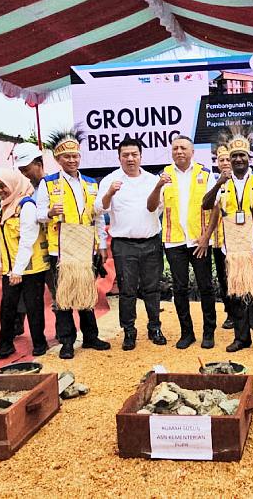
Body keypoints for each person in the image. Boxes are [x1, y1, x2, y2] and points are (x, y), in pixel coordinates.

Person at [37, 129, 111, 359]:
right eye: (67, 157)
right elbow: (37, 215)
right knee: (64, 297)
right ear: (58, 159)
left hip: (86, 245)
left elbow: (98, 216)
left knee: (86, 293)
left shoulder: (90, 183)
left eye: (75, 156)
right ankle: (67, 341)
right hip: (60, 249)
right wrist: (49, 212)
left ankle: (91, 336)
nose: (72, 160)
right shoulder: (48, 184)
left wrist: (102, 244)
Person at [203, 130, 253, 354]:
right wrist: (218, 183)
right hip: (232, 251)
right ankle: (241, 337)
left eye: (242, 156)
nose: (238, 159)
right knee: (235, 295)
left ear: (249, 158)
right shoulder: (222, 184)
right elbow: (206, 205)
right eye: (234, 156)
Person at [147, 136, 217, 349]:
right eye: (175, 148)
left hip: (199, 240)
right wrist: (158, 186)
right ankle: (187, 333)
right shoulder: (163, 176)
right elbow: (151, 207)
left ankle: (208, 332)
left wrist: (206, 237)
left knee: (205, 287)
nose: (179, 151)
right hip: (174, 241)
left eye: (183, 148)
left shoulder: (205, 174)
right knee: (180, 288)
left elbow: (216, 207)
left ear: (192, 152)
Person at [96, 138, 166, 351]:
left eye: (134, 154)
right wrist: (109, 193)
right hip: (124, 244)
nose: (130, 158)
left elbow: (156, 208)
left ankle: (154, 328)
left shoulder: (152, 180)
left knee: (152, 288)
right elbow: (99, 208)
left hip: (151, 242)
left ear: (140, 156)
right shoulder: (110, 179)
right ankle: (129, 331)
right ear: (119, 158)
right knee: (127, 290)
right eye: (125, 155)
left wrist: (159, 186)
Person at [0, 169, 49, 359]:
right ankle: (5, 344)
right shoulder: (4, 207)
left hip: (30, 268)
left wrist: (18, 271)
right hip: (10, 268)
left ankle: (39, 343)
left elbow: (28, 240)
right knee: (7, 306)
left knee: (34, 306)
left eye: (4, 186)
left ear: (14, 185)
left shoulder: (27, 206)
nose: (1, 190)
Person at [202, 145, 234, 330]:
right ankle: (230, 313)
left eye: (228, 159)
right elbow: (207, 206)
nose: (225, 163)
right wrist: (219, 183)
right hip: (219, 240)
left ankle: (246, 311)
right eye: (221, 160)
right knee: (223, 278)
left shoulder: (242, 179)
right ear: (216, 162)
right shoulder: (212, 181)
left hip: (240, 240)